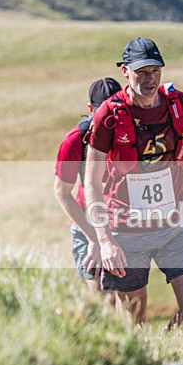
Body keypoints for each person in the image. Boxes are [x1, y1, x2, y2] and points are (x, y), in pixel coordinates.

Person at [83, 37, 183, 327]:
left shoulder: (179, 104)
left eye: (155, 70)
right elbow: (91, 182)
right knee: (132, 323)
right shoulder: (108, 116)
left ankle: (170, 359)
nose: (149, 79)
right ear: (125, 72)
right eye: (141, 72)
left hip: (176, 226)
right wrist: (105, 240)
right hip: (126, 232)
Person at [54, 77, 125, 295]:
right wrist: (94, 238)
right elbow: (62, 193)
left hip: (123, 223)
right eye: (102, 113)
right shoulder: (75, 141)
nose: (108, 122)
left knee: (129, 300)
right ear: (90, 109)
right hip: (87, 225)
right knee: (101, 299)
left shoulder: (130, 133)